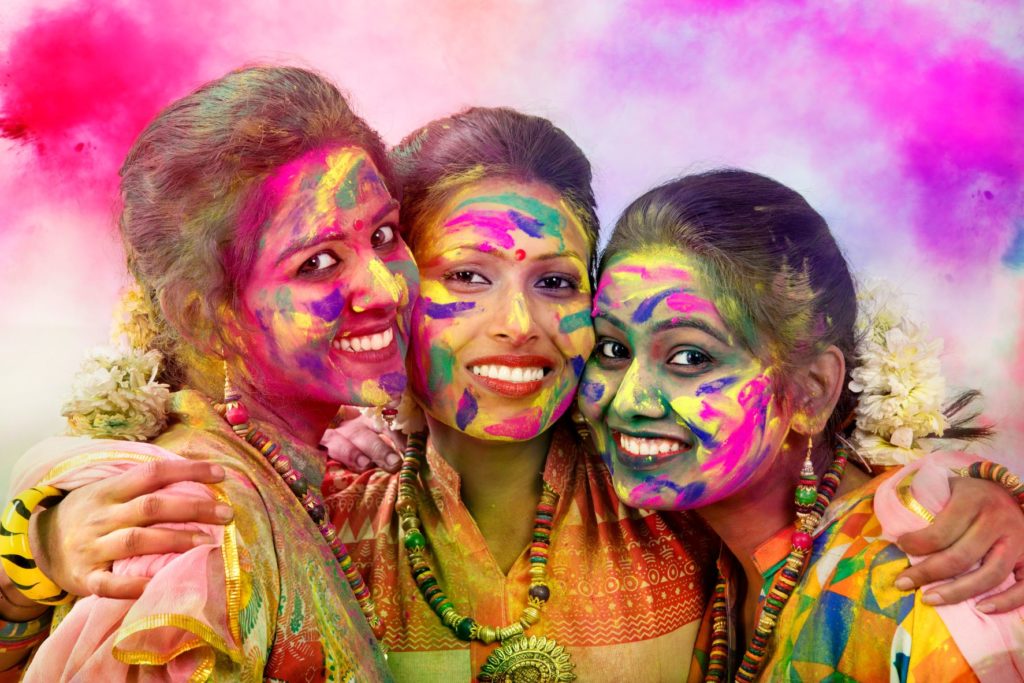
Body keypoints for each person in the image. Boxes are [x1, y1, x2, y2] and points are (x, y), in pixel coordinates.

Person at [9, 110, 1024, 683]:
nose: (519, 327)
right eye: (463, 278)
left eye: (555, 281)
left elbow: (824, 496)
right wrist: (45, 532)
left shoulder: (661, 501)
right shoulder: (323, 513)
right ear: (396, 287)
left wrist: (970, 491)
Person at [0, 65, 418, 680]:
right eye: (319, 262)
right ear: (206, 317)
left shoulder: (295, 462)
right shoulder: (187, 534)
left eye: (383, 234)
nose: (385, 287)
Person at [578, 169, 1024, 680]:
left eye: (690, 357)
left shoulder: (921, 583)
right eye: (611, 349)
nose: (628, 399)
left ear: (812, 390)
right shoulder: (717, 556)